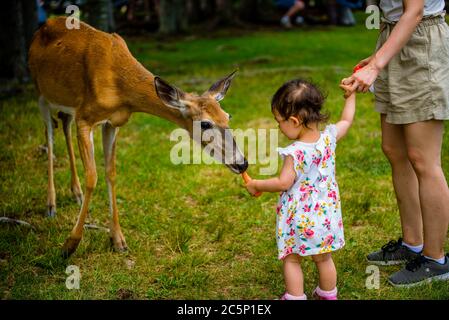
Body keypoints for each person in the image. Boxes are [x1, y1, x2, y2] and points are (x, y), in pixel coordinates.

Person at [340, 0, 449, 287]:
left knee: (424, 159)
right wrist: (378, 56)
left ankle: (435, 259)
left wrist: (377, 65)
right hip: (395, 40)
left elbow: (414, 12)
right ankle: (413, 243)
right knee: (395, 150)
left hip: (421, 45)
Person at [245, 79, 356, 300]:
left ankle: (295, 297)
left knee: (292, 258)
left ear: (295, 121)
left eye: (279, 122)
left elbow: (283, 182)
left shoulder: (295, 152)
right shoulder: (328, 138)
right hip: (326, 215)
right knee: (324, 258)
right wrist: (350, 96)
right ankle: (327, 294)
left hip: (300, 218)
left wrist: (256, 184)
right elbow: (346, 120)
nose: (279, 127)